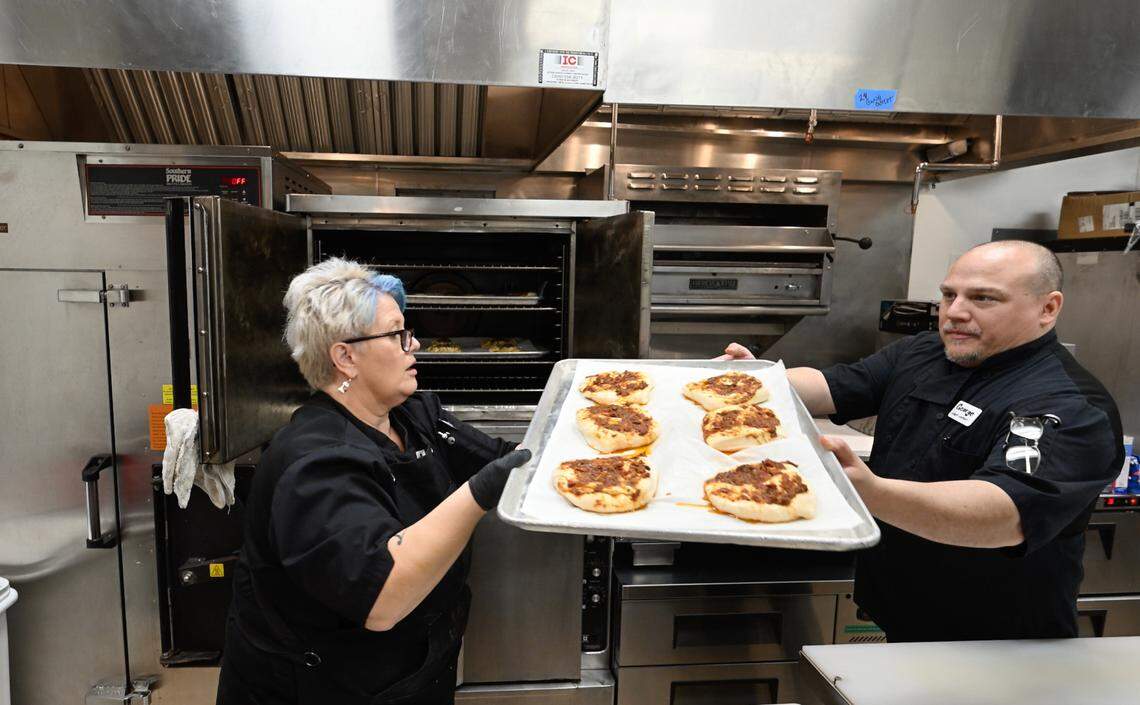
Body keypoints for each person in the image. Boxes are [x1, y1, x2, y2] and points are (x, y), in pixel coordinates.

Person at [719, 240, 1123, 641]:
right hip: (899, 612)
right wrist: (758, 379)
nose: (955, 313)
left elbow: (1006, 512)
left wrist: (869, 491)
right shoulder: (925, 352)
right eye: (949, 295)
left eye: (983, 298)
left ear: (1047, 308)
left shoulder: (1069, 405)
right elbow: (830, 386)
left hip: (998, 639)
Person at [216, 258, 531, 704]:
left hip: (408, 676)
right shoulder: (312, 464)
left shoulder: (414, 415)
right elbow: (382, 596)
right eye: (398, 334)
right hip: (322, 690)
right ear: (345, 357)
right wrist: (478, 494)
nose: (415, 344)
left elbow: (502, 460)